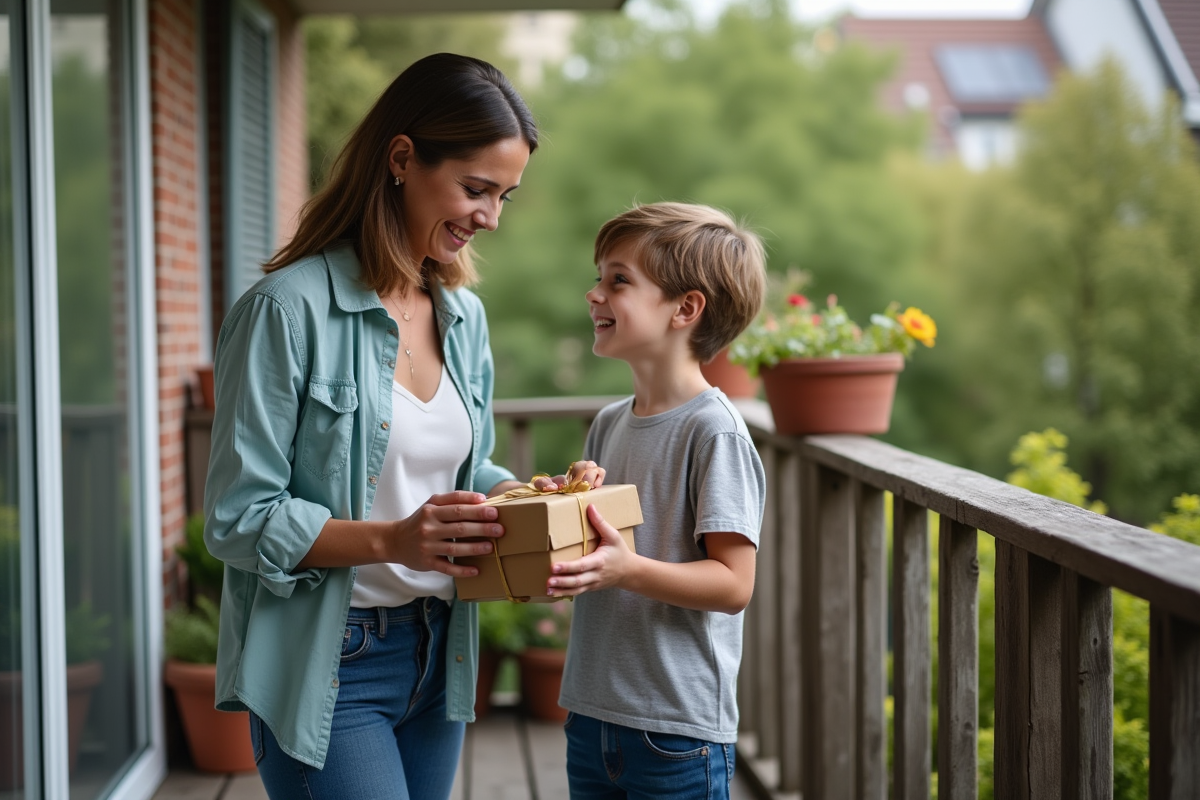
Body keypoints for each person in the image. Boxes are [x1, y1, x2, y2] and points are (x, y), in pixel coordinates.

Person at [202, 53, 539, 800]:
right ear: (401, 159)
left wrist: (523, 497)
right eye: (476, 188)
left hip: (440, 646)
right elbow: (236, 518)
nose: (490, 216)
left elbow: (465, 468)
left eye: (505, 196)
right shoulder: (285, 312)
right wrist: (392, 539)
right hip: (333, 660)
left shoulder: (462, 315)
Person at [542, 202, 768, 799]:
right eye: (599, 276)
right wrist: (560, 513)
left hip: (676, 733)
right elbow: (599, 555)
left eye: (618, 280)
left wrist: (627, 570)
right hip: (592, 715)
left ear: (685, 309)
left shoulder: (714, 431)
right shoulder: (608, 423)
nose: (594, 294)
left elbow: (733, 584)